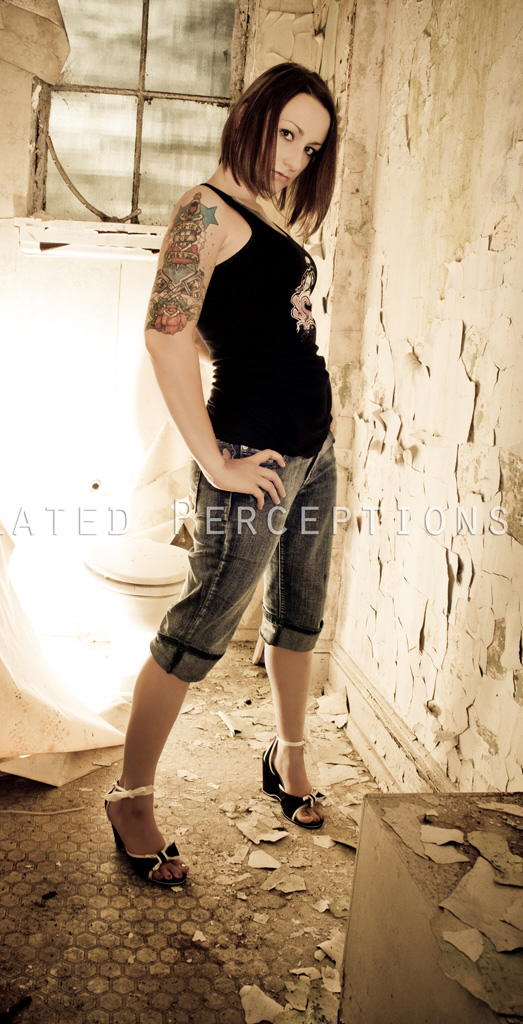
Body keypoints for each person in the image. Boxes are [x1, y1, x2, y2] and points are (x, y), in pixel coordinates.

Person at [104, 62, 339, 886]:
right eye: (286, 134)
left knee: (299, 616)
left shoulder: (259, 217)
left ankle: (288, 757)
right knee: (200, 626)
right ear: (251, 116)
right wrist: (214, 460)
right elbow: (165, 333)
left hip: (311, 453)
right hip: (254, 455)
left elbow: (231, 327)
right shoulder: (202, 210)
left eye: (309, 149)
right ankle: (130, 797)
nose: (293, 158)